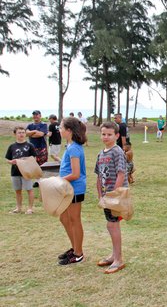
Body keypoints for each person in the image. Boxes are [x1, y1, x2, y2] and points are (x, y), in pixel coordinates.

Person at [95, 122, 129, 274]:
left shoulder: (117, 151)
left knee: (112, 225)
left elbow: (121, 173)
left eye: (109, 134)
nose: (106, 137)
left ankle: (118, 259)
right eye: (103, 134)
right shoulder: (101, 154)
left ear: (116, 135)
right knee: (111, 225)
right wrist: (100, 196)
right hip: (106, 196)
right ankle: (114, 255)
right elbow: (98, 176)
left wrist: (114, 194)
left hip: (115, 196)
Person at [57, 117, 87, 265]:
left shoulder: (74, 148)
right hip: (67, 188)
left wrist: (58, 181)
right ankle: (74, 248)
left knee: (75, 220)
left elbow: (75, 174)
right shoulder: (70, 147)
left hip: (75, 188)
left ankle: (78, 253)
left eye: (61, 127)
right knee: (64, 218)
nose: (59, 129)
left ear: (69, 130)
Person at [5, 126, 37, 214]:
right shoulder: (12, 146)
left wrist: (25, 161)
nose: (21, 134)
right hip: (15, 172)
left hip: (26, 172)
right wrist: (11, 162)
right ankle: (18, 208)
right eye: (19, 132)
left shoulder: (30, 145)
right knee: (18, 190)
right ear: (15, 134)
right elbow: (8, 159)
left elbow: (34, 158)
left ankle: (30, 208)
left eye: (23, 132)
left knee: (29, 189)